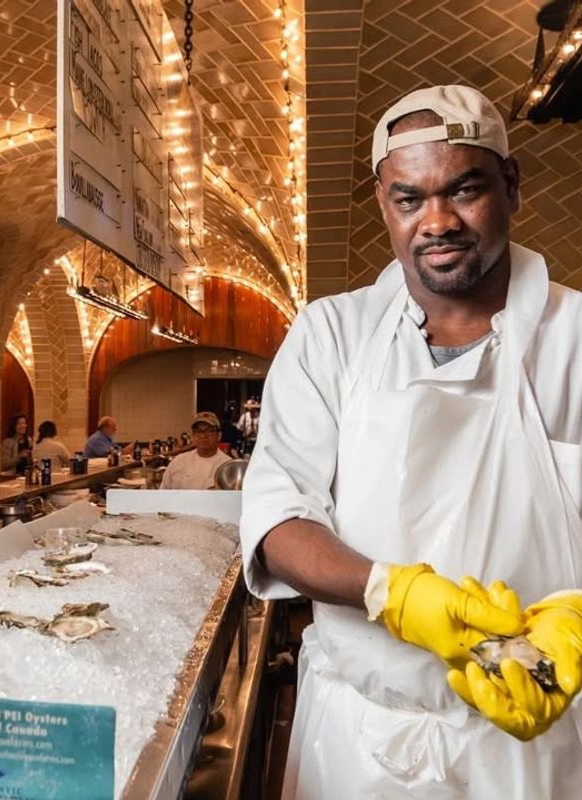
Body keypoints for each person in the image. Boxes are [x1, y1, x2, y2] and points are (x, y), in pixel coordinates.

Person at [240, 85, 582, 799]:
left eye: (465, 190)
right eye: (409, 199)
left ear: (511, 186)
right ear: (382, 203)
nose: (438, 221)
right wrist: (389, 591)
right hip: (359, 741)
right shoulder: (331, 336)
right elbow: (277, 521)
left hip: (535, 749)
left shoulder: (575, 339)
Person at [159, 413, 232, 490]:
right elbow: (162, 494)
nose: (203, 436)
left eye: (209, 431)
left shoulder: (227, 466)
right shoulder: (178, 461)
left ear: (219, 435)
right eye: (198, 431)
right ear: (193, 436)